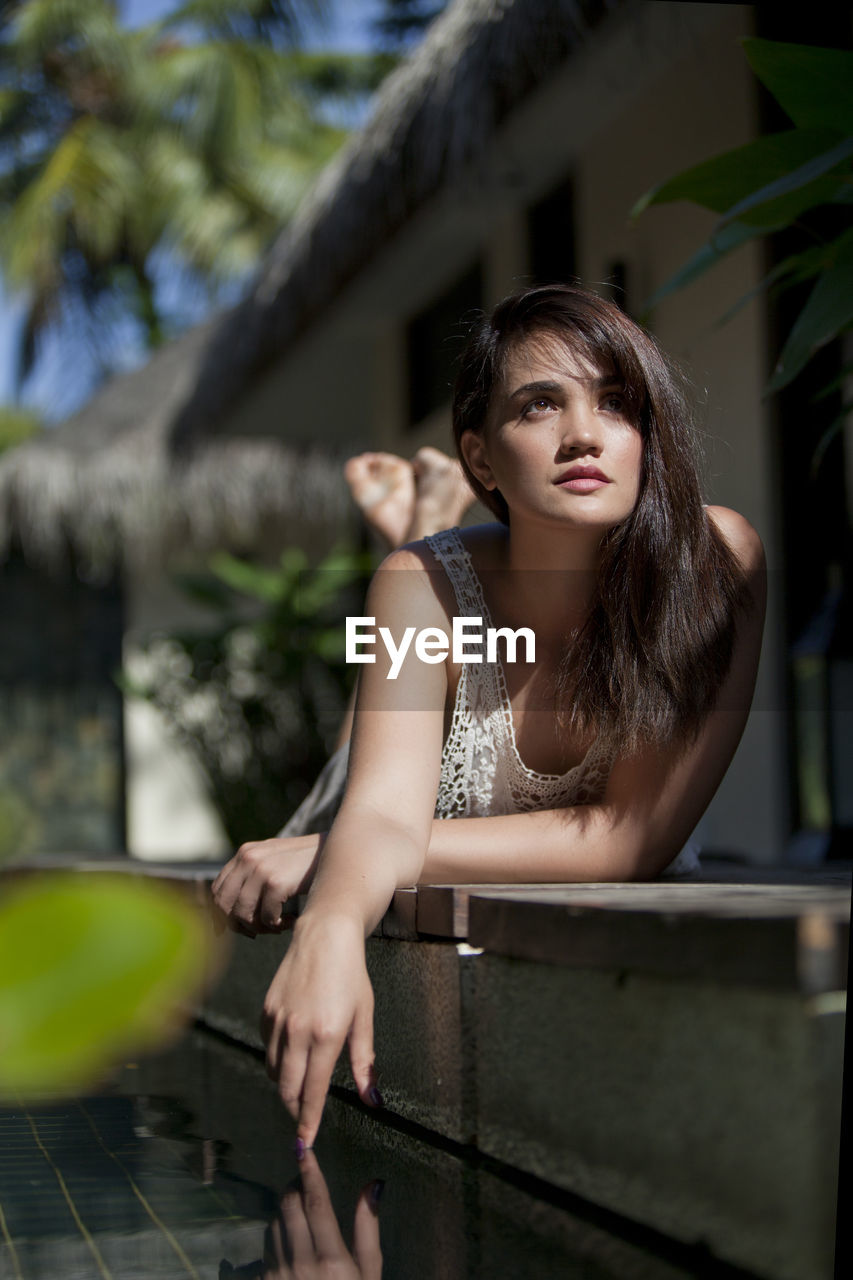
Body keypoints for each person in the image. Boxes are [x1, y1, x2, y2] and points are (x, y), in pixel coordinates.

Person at [212, 282, 766, 1154]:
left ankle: (417, 531)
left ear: (648, 433)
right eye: (539, 405)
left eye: (617, 403)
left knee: (350, 806)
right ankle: (421, 530)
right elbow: (385, 806)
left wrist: (336, 859)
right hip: (387, 785)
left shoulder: (714, 563)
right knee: (360, 752)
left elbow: (628, 839)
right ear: (480, 455)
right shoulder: (416, 586)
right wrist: (329, 920)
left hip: (374, 834)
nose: (583, 433)